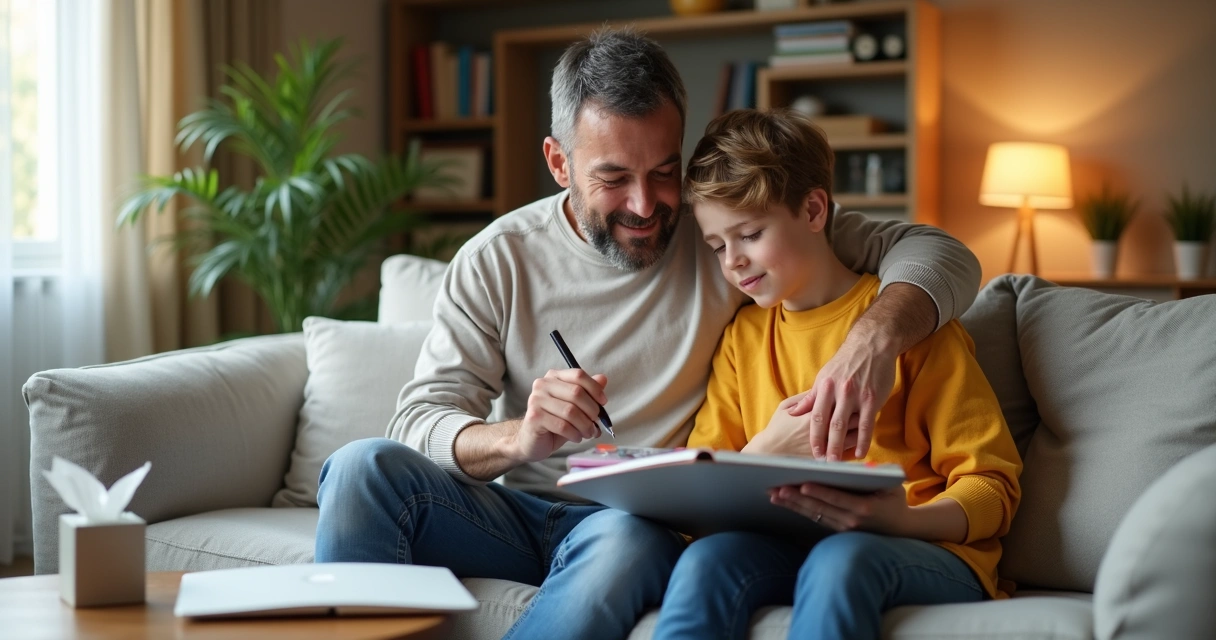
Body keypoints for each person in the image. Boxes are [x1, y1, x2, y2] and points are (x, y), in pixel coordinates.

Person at [314, 28, 982, 640]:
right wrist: (519, 437)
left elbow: (942, 255)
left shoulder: (727, 234)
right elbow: (419, 422)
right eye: (613, 178)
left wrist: (873, 341)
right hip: (511, 510)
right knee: (358, 469)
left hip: (631, 525)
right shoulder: (498, 257)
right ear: (558, 162)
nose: (644, 204)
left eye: (664, 170)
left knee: (627, 543)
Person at [650, 109, 1022, 640]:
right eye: (716, 246)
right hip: (792, 544)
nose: (732, 261)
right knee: (708, 560)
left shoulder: (910, 323)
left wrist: (904, 521)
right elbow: (706, 497)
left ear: (815, 209)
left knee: (841, 560)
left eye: (750, 233)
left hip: (924, 547)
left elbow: (994, 487)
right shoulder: (743, 339)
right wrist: (768, 452)